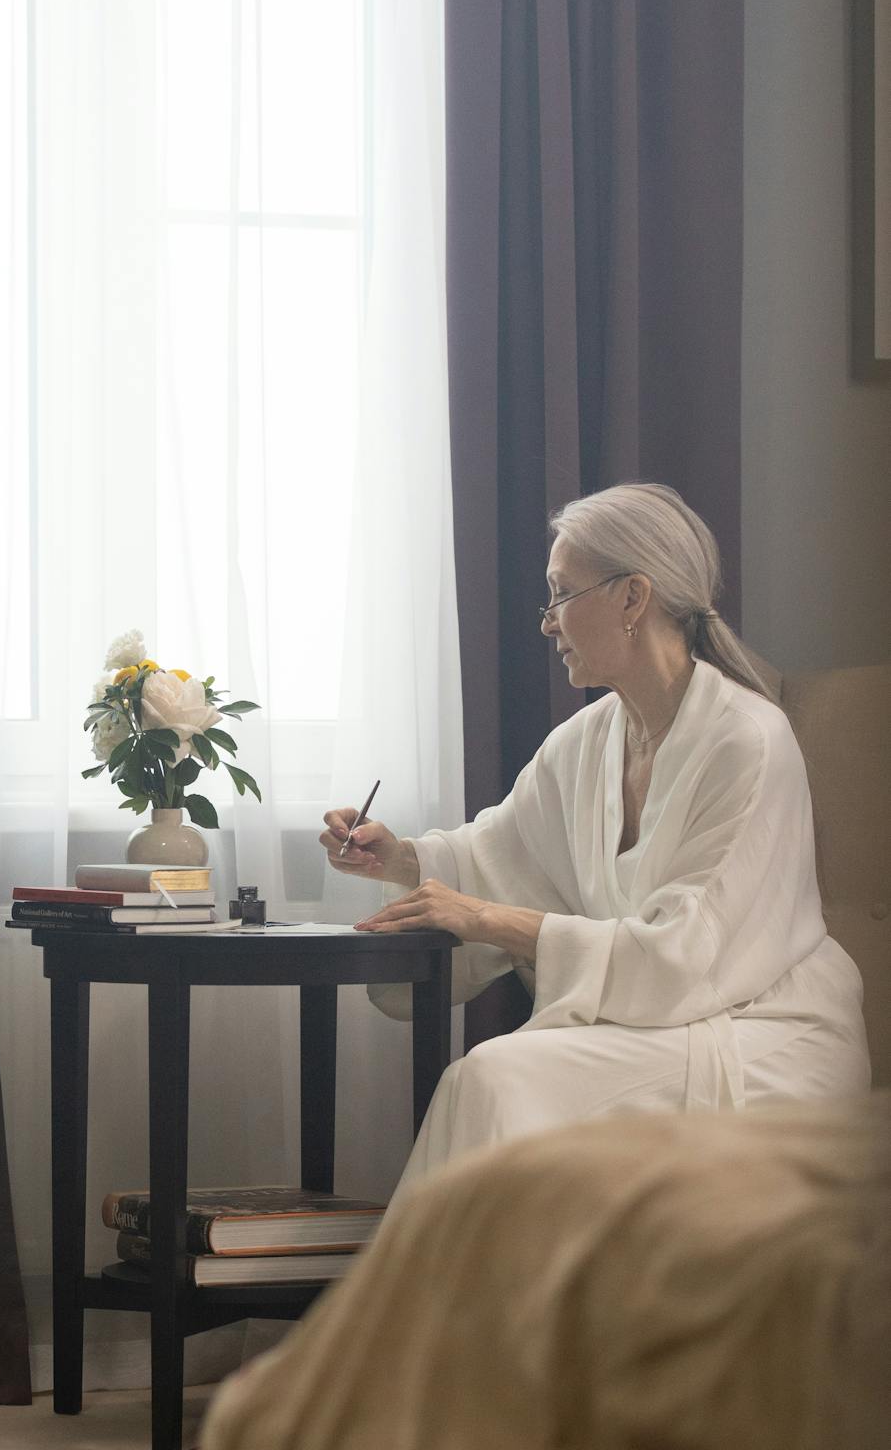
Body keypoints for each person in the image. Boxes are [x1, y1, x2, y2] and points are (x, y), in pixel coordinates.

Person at [321, 482, 870, 1192]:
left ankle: (436, 1304)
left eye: (559, 594)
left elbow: (682, 958)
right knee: (491, 1079)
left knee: (492, 1078)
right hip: (653, 1027)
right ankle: (465, 1303)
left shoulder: (746, 743)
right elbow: (494, 856)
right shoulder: (583, 742)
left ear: (632, 599)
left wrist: (483, 917)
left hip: (764, 1033)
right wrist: (397, 858)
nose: (546, 624)